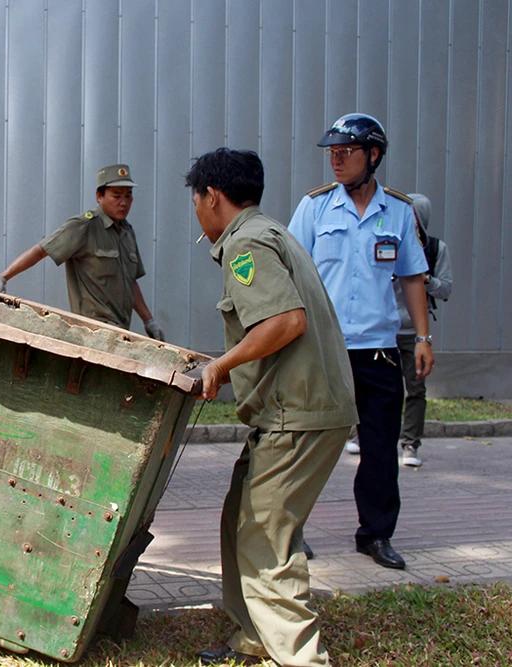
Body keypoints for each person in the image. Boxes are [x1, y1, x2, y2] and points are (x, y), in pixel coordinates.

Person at [187, 148, 356, 667]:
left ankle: (301, 658)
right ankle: (255, 635)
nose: (196, 212)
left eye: (195, 200)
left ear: (212, 196)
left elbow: (286, 322)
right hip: (295, 410)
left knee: (264, 539)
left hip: (296, 414)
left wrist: (220, 365)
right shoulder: (273, 232)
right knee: (240, 517)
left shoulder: (247, 243)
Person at [288, 113, 434, 571]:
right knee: (306, 443)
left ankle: (376, 534)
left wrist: (423, 337)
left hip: (378, 350)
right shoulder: (314, 207)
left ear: (373, 155)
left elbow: (413, 277)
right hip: (322, 349)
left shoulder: (399, 211)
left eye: (345, 152)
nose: (335, 160)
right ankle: (290, 529)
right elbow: (290, 272)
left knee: (380, 448)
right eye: (332, 152)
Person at [0, 165, 165, 340]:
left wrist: (148, 320)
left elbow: (130, 282)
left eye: (128, 195)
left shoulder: (126, 232)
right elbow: (41, 250)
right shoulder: (84, 226)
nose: (124, 202)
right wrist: (2, 278)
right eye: (116, 196)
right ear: (99, 196)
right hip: (92, 332)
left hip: (120, 332)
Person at [395, 193, 452, 467]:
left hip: (412, 332)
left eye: (412, 215)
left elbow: (446, 289)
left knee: (416, 389)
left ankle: (410, 444)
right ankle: (362, 436)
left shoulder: (435, 249)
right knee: (376, 388)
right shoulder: (388, 241)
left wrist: (425, 279)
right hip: (383, 329)